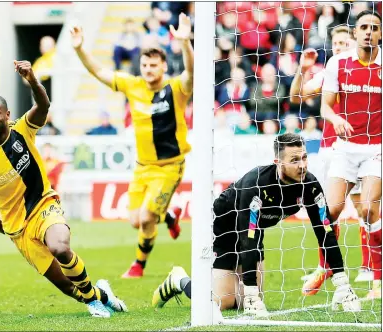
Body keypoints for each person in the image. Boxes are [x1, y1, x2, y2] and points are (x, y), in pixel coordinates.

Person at [0, 60, 126, 318]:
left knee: (60, 247)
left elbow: (43, 105)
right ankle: (101, 295)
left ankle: (93, 303)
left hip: (43, 204)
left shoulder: (22, 130)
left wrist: (31, 79)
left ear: (7, 115)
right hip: (17, 228)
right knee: (65, 285)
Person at [151, 134, 360, 317]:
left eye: (304, 157)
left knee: (242, 303)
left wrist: (342, 283)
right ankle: (179, 280)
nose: (302, 165)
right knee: (224, 302)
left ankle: (244, 291)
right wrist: (251, 293)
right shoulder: (257, 184)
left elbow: (324, 232)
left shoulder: (310, 186)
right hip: (225, 227)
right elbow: (246, 235)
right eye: (294, 160)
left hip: (253, 230)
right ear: (278, 162)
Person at [71, 14, 193, 278]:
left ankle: (139, 265)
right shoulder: (133, 85)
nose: (148, 69)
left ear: (163, 67)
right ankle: (170, 216)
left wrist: (185, 43)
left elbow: (191, 74)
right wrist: (80, 48)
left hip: (170, 166)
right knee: (135, 221)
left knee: (148, 219)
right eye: (145, 64)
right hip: (142, 167)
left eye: (153, 65)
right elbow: (98, 72)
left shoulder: (176, 89)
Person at [290, 25, 373, 288]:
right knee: (328, 209)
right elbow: (296, 96)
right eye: (335, 43)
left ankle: (369, 266)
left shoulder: (366, 71)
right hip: (330, 149)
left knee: (365, 209)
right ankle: (325, 266)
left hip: (363, 146)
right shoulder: (330, 72)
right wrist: (302, 70)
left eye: (344, 42)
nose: (339, 47)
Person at [320, 10, 381, 300]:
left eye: (375, 27)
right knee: (329, 212)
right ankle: (333, 274)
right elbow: (325, 107)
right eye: (364, 27)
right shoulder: (337, 62)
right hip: (345, 147)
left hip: (376, 148)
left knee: (369, 210)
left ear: (380, 34)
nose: (369, 31)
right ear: (355, 33)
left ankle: (378, 277)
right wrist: (336, 120)